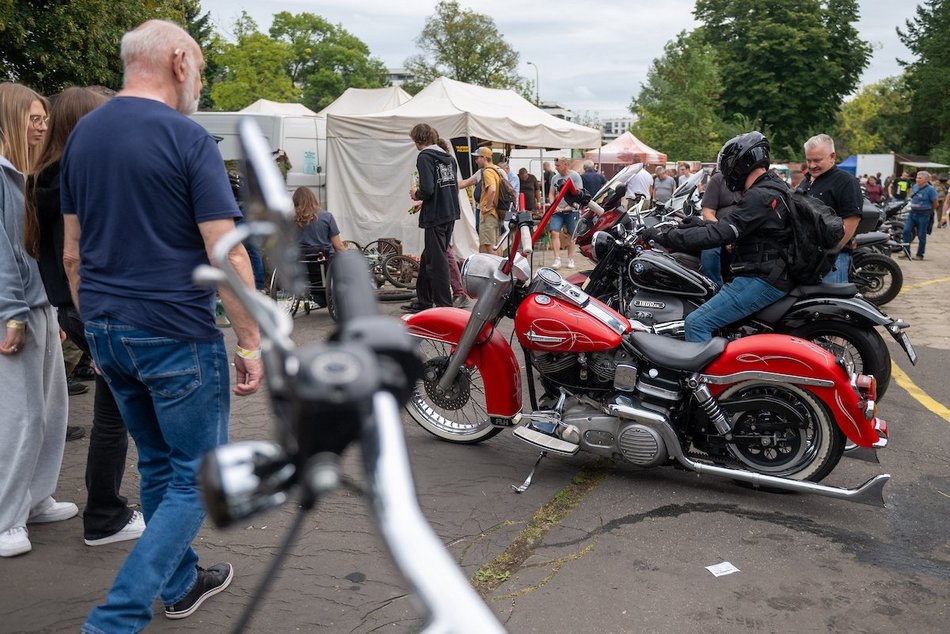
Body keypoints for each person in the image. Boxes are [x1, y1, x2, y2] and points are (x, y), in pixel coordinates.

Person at [60, 20, 263, 630]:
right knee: (196, 480)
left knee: (155, 465)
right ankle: (116, 617)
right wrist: (251, 341)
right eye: (198, 66)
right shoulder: (186, 137)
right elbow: (225, 251)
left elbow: (72, 253)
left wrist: (94, 327)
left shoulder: (82, 137)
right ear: (179, 60)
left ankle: (180, 584)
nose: (197, 78)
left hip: (107, 328)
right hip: (174, 332)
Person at [24, 86, 146, 548]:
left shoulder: (44, 179)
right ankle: (105, 517)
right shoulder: (80, 182)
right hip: (97, 310)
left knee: (112, 414)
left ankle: (105, 511)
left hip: (73, 309)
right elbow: (84, 256)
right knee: (122, 418)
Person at [0, 82, 76, 559]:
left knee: (51, 409)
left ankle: (35, 498)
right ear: (10, 119)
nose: (43, 125)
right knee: (20, 417)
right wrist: (11, 314)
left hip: (39, 305)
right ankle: (7, 518)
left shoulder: (24, 175)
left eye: (44, 117)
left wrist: (50, 306)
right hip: (17, 311)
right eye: (33, 118)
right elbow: (2, 256)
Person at [642, 132, 793, 342]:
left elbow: (720, 234)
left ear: (741, 163)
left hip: (761, 278)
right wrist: (699, 223)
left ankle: (700, 375)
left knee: (696, 323)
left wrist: (665, 236)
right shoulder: (773, 187)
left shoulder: (760, 195)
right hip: (770, 272)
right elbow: (738, 227)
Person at [404, 123, 460, 313]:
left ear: (417, 139)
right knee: (429, 257)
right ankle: (424, 300)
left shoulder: (425, 157)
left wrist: (416, 194)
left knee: (437, 260)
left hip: (435, 215)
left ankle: (445, 305)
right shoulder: (449, 158)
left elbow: (427, 189)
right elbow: (450, 187)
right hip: (450, 212)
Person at [798, 134, 862, 283]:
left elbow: (852, 220)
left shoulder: (846, 181)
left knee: (829, 303)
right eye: (809, 160)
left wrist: (832, 252)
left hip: (833, 260)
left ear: (832, 156)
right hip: (808, 258)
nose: (812, 165)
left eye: (817, 160)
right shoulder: (806, 181)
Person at [293, 186, 344, 307]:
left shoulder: (292, 219)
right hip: (324, 260)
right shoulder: (327, 216)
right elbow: (338, 245)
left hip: (302, 261)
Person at [698, 170, 743, 289]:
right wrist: (725, 235)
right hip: (719, 229)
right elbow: (707, 213)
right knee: (709, 248)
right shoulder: (718, 179)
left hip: (745, 230)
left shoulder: (754, 182)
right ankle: (714, 288)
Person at [460, 147, 499, 254]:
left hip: (488, 214)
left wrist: (488, 206)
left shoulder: (487, 172)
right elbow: (465, 183)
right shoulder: (495, 171)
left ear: (484, 158)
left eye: (477, 158)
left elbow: (492, 189)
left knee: (490, 246)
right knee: (487, 244)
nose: (476, 160)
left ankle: (496, 269)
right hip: (492, 213)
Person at [547, 156, 583, 268]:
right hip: (558, 211)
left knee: (572, 236)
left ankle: (570, 259)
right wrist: (554, 205)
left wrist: (570, 206)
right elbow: (551, 193)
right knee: (554, 232)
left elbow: (579, 194)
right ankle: (557, 259)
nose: (556, 167)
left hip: (572, 210)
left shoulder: (575, 176)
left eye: (558, 165)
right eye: (555, 165)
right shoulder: (555, 178)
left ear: (566, 164)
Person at [902, 170, 938, 259]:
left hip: (924, 214)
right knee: (906, 231)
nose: (917, 179)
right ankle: (906, 252)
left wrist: (930, 211)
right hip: (912, 213)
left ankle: (920, 254)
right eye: (917, 177)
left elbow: (935, 203)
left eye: (919, 178)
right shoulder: (914, 187)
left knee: (921, 235)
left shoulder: (930, 190)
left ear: (925, 179)